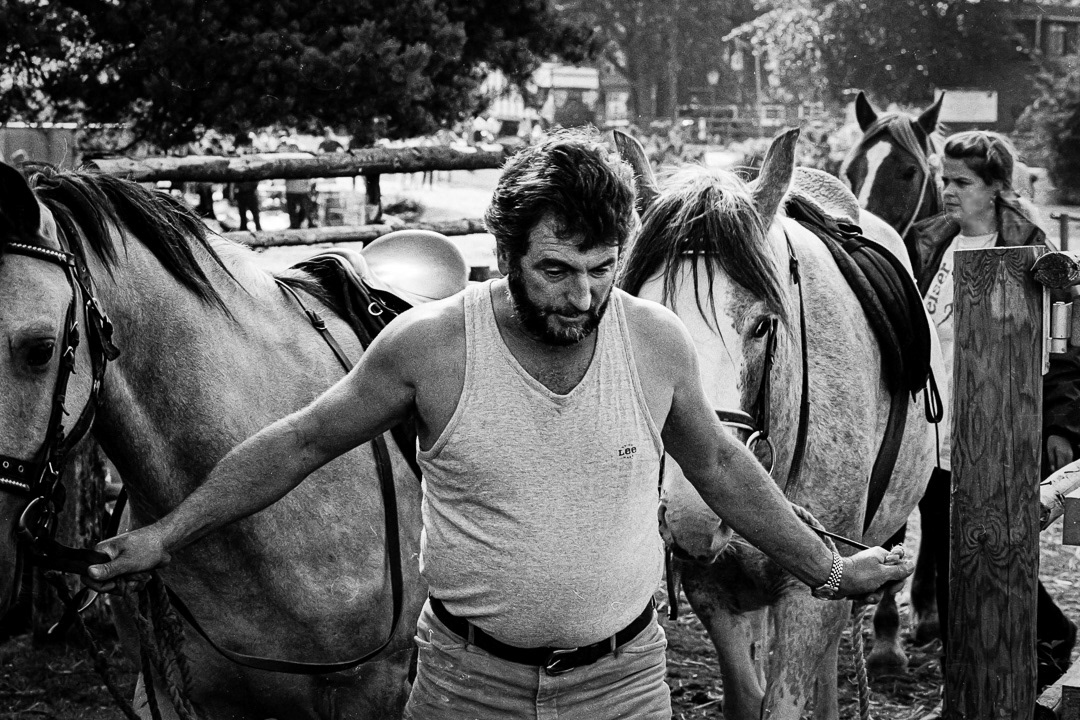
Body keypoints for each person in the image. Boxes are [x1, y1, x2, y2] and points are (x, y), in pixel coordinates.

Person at [85, 128, 915, 720]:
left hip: (622, 688)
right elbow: (299, 442)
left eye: (600, 270)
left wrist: (829, 569)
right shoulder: (431, 347)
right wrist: (167, 534)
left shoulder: (653, 343)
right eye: (555, 270)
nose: (581, 297)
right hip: (464, 688)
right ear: (506, 251)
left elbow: (726, 471)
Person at [908, 130, 1080, 714]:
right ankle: (965, 690)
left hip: (1001, 428)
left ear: (996, 188)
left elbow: (1064, 352)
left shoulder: (1032, 251)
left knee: (995, 553)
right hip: (934, 432)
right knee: (953, 564)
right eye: (943, 180)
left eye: (962, 183)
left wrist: (1061, 427)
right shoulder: (927, 242)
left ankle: (1045, 642)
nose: (947, 192)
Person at [280, 142, 318, 229]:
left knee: (304, 209)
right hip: (291, 189)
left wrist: (310, 183)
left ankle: (299, 223)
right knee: (292, 209)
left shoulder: (305, 158)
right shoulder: (286, 160)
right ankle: (294, 225)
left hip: (302, 189)